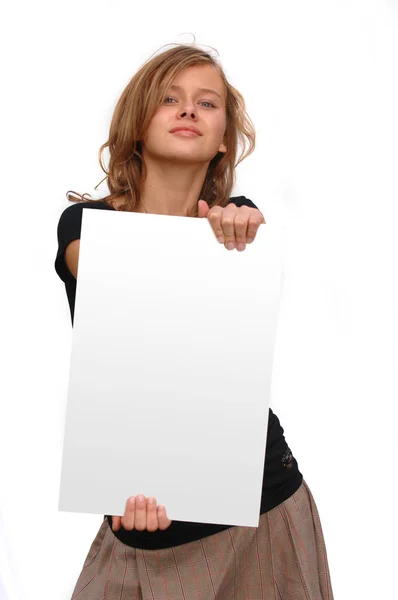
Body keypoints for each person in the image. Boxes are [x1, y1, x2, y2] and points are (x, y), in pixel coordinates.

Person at [55, 43, 334, 599]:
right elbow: (123, 289)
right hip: (139, 513)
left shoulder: (237, 226)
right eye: (168, 99)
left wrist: (240, 224)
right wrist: (122, 478)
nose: (188, 111)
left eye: (207, 103)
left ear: (225, 137)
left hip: (262, 509)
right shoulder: (86, 225)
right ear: (137, 125)